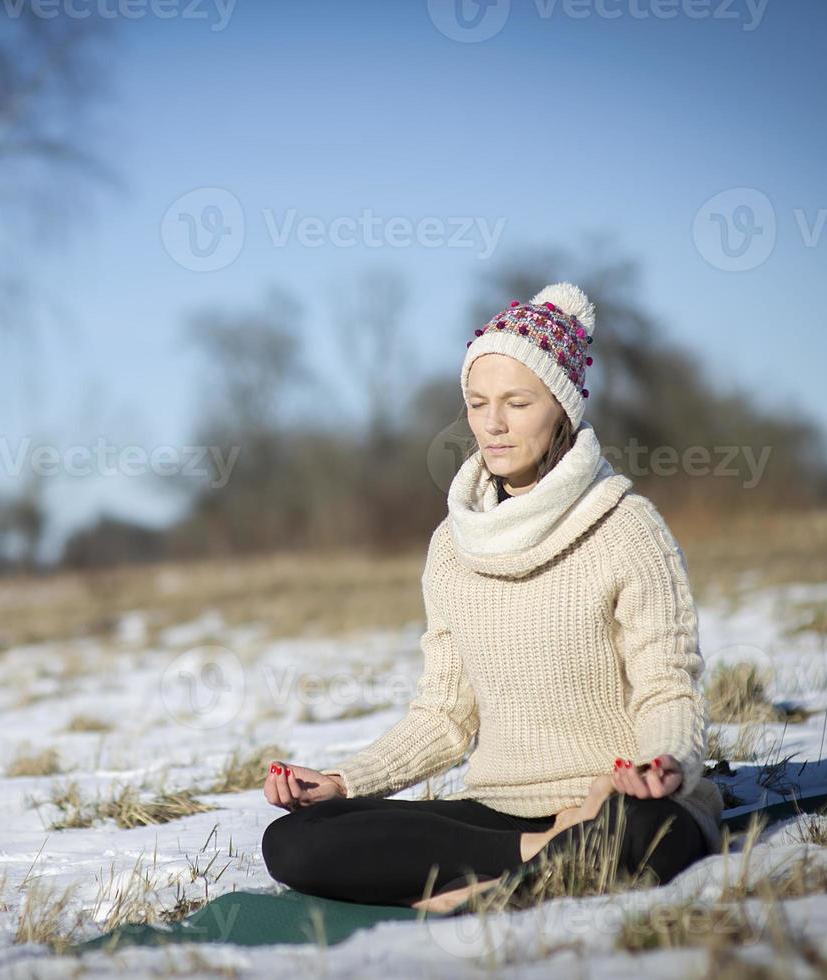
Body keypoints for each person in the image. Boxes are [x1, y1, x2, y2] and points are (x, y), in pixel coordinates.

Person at [259, 281, 725, 910]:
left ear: (561, 408)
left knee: (647, 834)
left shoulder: (626, 527)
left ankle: (503, 873)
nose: (494, 425)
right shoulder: (453, 547)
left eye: (517, 403)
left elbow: (668, 688)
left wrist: (663, 765)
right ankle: (537, 857)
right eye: (478, 404)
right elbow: (445, 715)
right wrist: (345, 781)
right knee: (293, 841)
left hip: (623, 802)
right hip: (503, 811)